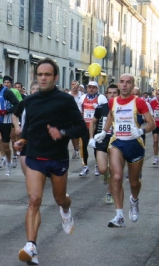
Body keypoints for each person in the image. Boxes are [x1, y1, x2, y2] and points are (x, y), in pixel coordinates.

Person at [15, 58, 87, 264]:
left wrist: (61, 132)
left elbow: (80, 128)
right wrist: (22, 140)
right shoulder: (30, 101)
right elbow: (29, 128)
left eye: (47, 75)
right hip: (35, 156)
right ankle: (31, 247)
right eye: (40, 74)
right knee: (34, 200)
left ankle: (65, 209)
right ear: (35, 77)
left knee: (59, 199)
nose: (43, 78)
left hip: (57, 158)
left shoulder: (65, 100)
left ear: (55, 77)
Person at [94, 73, 155, 228]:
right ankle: (119, 215)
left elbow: (152, 123)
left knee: (134, 182)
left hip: (135, 145)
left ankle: (134, 200)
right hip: (117, 143)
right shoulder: (112, 102)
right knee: (117, 176)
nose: (125, 85)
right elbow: (110, 117)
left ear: (133, 85)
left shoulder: (139, 102)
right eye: (122, 82)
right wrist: (104, 131)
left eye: (128, 82)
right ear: (119, 84)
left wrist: (141, 131)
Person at [88, 84, 119, 204]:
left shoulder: (122, 107)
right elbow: (93, 122)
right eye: (110, 93)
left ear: (118, 94)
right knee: (102, 169)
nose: (112, 95)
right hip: (102, 140)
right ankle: (104, 175)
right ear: (106, 94)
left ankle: (109, 194)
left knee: (113, 169)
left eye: (114, 93)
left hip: (116, 141)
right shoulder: (101, 108)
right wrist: (91, 138)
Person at [77, 80, 108, 176]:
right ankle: (85, 166)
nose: (91, 89)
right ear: (87, 88)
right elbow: (78, 111)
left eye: (93, 87)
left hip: (96, 127)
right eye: (89, 87)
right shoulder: (82, 98)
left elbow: (106, 112)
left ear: (97, 89)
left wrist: (98, 107)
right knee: (82, 147)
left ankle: (97, 165)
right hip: (85, 126)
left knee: (96, 147)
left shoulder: (101, 98)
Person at [69, 80, 83, 159]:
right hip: (69, 117)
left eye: (75, 84)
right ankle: (75, 149)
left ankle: (77, 150)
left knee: (76, 134)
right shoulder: (68, 95)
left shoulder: (82, 95)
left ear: (78, 86)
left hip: (79, 117)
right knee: (72, 135)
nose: (74, 86)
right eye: (72, 84)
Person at [150, 89, 159, 165]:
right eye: (157, 94)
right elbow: (150, 113)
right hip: (155, 125)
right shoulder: (152, 102)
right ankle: (156, 157)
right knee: (155, 141)